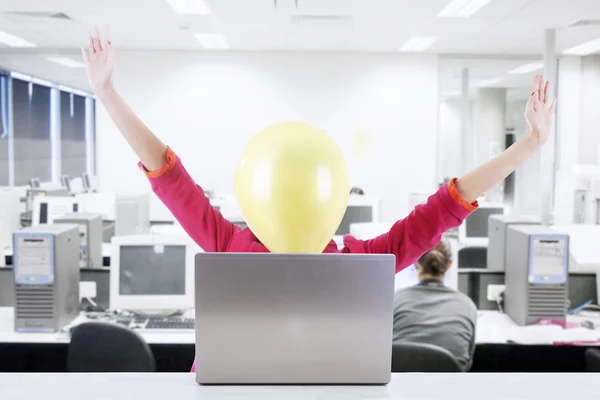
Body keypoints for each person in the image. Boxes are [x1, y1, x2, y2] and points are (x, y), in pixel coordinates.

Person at [81, 27, 556, 372]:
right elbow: (166, 172)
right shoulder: (241, 246)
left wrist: (527, 146)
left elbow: (444, 207)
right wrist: (106, 92)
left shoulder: (354, 261)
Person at [392, 239, 477, 371]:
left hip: (402, 387)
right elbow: (468, 359)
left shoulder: (395, 300)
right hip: (451, 387)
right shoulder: (467, 305)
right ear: (449, 264)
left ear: (415, 262)